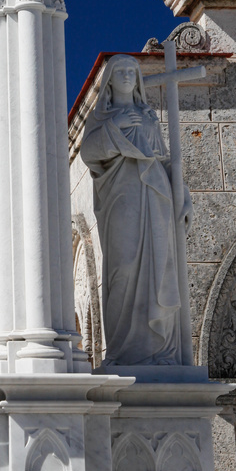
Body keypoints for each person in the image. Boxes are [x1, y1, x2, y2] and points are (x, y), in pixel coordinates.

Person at [80, 55, 192, 366]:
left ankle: (159, 349)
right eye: (122, 72)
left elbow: (165, 159)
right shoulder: (102, 118)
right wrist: (115, 130)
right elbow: (89, 153)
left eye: (133, 71)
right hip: (121, 195)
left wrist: (184, 195)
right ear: (111, 81)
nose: (129, 76)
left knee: (160, 266)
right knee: (124, 266)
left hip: (156, 195)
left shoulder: (148, 116)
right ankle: (122, 350)